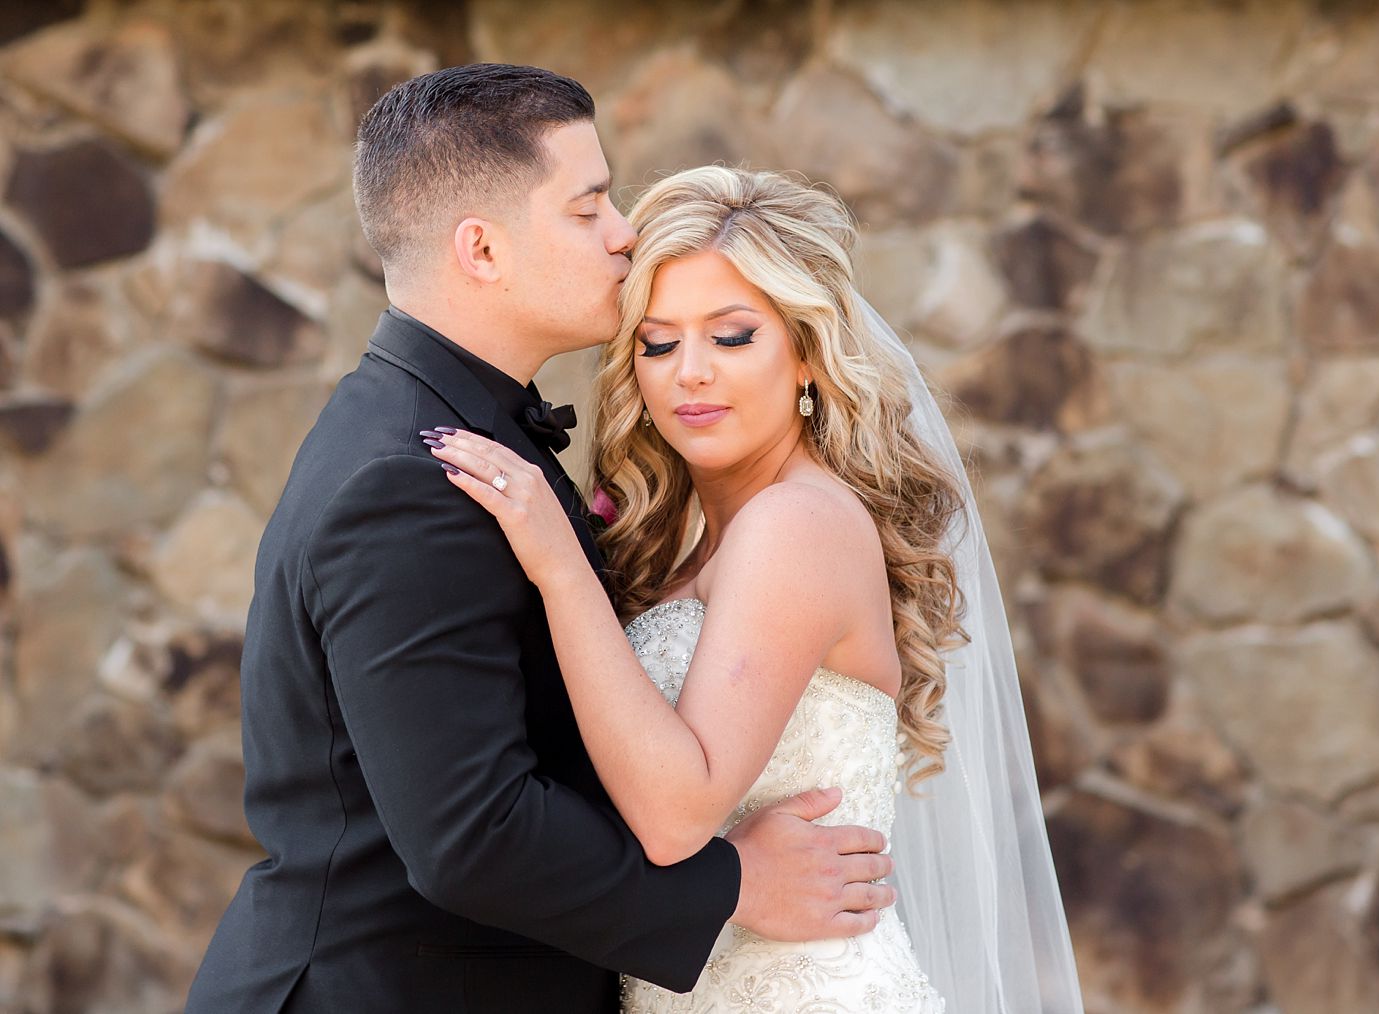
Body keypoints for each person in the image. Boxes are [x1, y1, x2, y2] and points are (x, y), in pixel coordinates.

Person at [186, 65, 898, 1014]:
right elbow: (472, 835)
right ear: (481, 249)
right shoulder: (413, 476)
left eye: (731, 336)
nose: (622, 232)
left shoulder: (462, 437)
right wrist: (735, 887)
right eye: (589, 205)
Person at [430, 166, 1085, 1011]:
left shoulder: (796, 526)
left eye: (732, 336)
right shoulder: (681, 542)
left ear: (808, 357)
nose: (689, 373)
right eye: (658, 343)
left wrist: (559, 568)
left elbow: (674, 817)